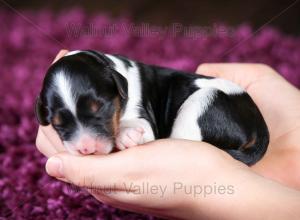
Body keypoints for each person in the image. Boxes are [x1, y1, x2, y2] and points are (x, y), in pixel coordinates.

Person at [36, 50, 300, 219]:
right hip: (231, 125)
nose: (84, 143)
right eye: (63, 126)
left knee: (194, 106)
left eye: (98, 113)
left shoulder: (125, 85)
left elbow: (145, 130)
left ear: (120, 89)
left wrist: (203, 190)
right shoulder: (109, 83)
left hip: (221, 102)